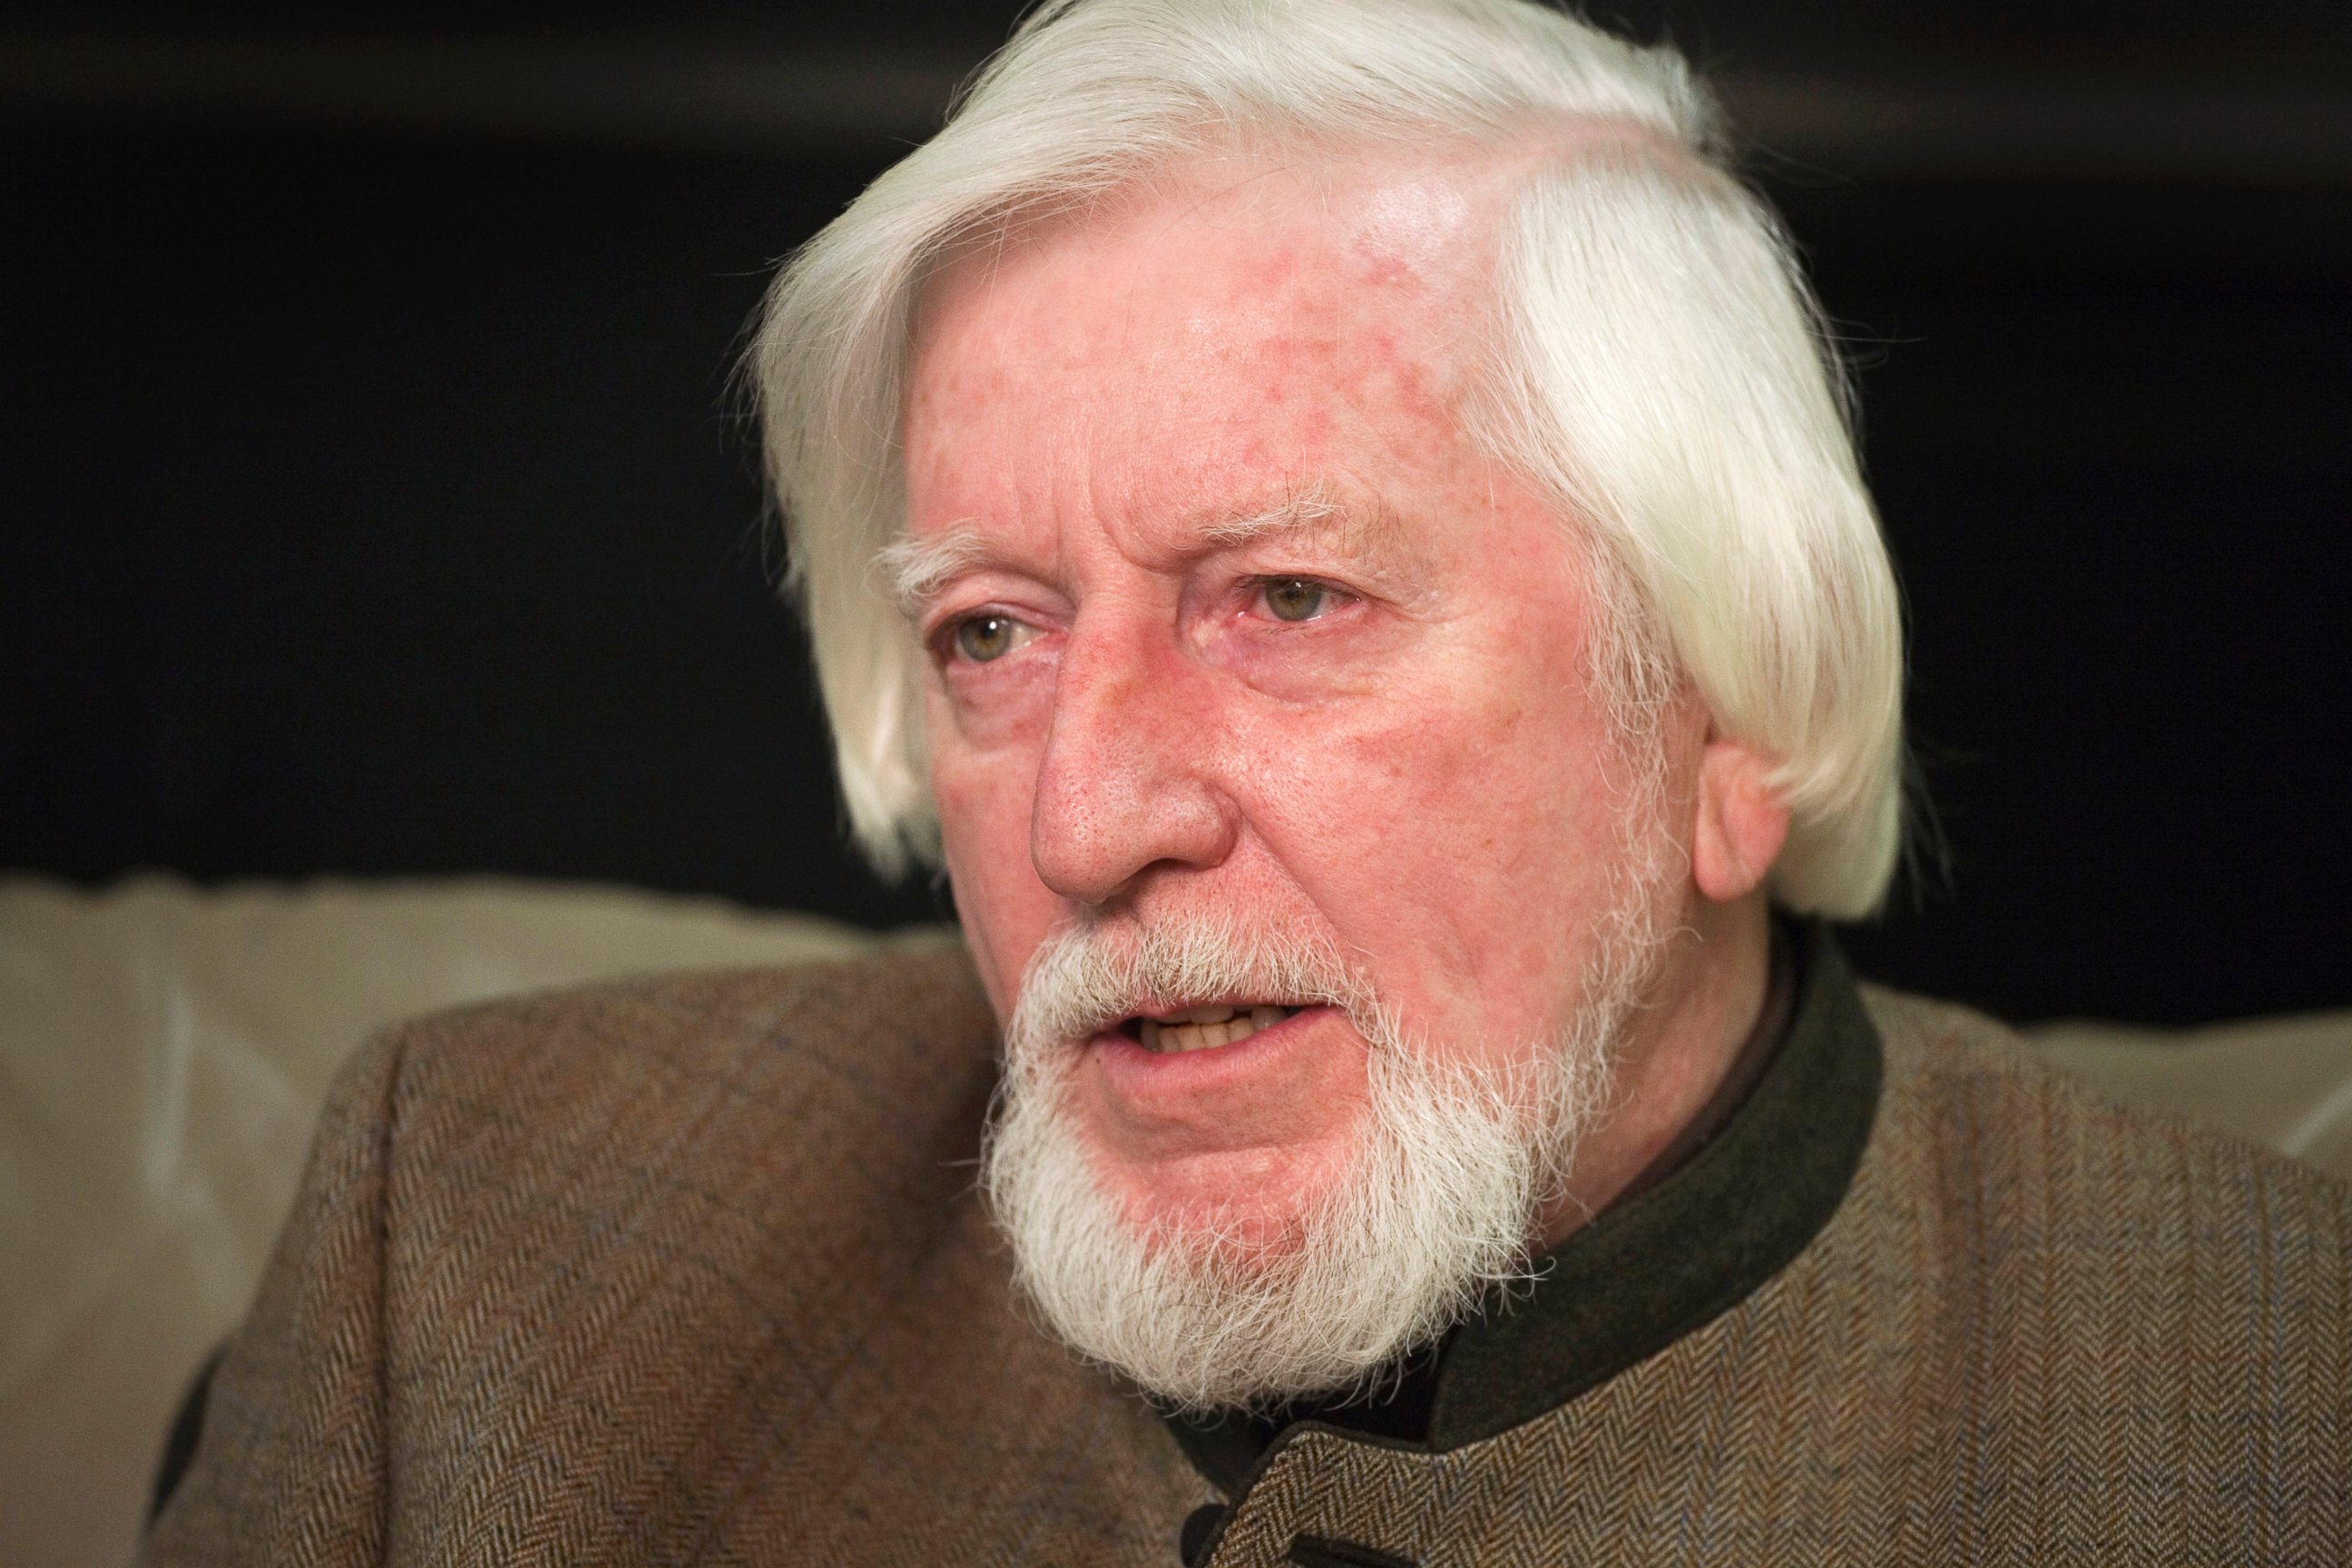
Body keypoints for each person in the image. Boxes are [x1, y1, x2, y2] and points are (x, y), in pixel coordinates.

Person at [144, 2, 2350, 1563]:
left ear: (1734, 720)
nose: (1090, 821)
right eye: (991, 633)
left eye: (1285, 598)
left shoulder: (2270, 1405)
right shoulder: (480, 1240)